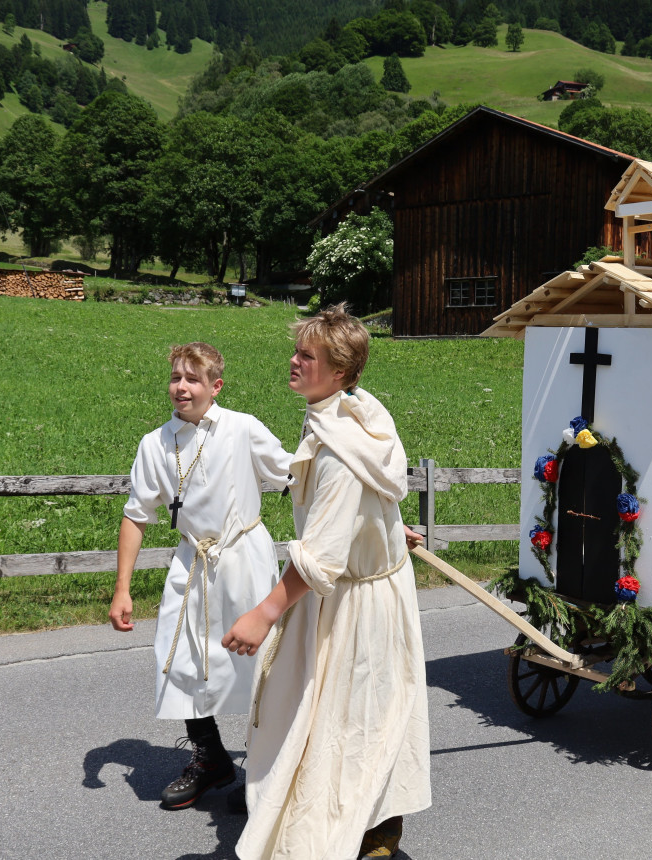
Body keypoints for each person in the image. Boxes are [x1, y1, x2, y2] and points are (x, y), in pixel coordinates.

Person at [223, 305, 431, 860]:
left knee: (348, 721)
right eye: (297, 350)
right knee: (360, 713)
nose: (294, 361)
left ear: (340, 371)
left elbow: (321, 555)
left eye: (307, 355)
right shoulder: (356, 412)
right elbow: (373, 491)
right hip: (370, 586)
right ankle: (368, 827)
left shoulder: (340, 449)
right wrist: (385, 529)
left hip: (355, 604)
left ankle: (353, 835)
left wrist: (265, 611)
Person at [110, 342, 292, 809]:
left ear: (216, 386)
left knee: (260, 667)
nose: (181, 387)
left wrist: (377, 517)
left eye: (193, 378)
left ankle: (267, 775)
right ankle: (211, 759)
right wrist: (122, 589)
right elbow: (136, 516)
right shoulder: (155, 443)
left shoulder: (242, 428)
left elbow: (298, 477)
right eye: (175, 377)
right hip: (192, 562)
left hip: (243, 558)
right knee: (183, 662)